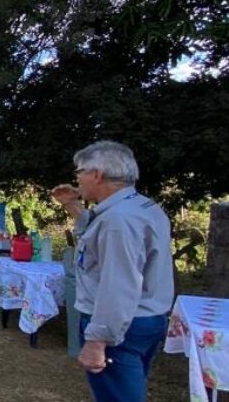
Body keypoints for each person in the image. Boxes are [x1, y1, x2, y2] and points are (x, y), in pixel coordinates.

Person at [51, 141, 174, 402]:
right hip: (145, 318)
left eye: (79, 171)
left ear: (96, 174)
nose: (77, 178)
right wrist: (74, 206)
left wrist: (98, 340)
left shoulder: (118, 220)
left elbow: (118, 283)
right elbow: (98, 245)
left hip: (121, 326)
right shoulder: (140, 207)